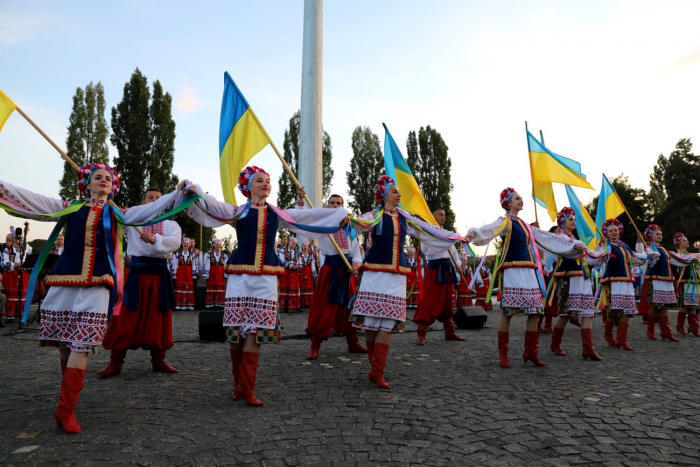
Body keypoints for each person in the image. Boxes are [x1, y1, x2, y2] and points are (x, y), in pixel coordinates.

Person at [0, 162, 191, 433]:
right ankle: (66, 400)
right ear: (86, 184)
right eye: (97, 178)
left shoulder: (122, 213)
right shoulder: (70, 206)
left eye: (108, 179)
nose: (103, 181)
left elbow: (152, 209)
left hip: (100, 283)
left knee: (82, 344)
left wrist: (179, 192)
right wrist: (3, 186)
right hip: (64, 280)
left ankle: (65, 411)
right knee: (64, 343)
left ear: (114, 187)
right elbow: (34, 199)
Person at [180, 166, 348, 406]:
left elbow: (304, 218)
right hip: (241, 278)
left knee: (258, 330)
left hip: (266, 278)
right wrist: (193, 188)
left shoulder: (276, 213)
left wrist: (336, 214)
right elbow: (213, 205)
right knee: (236, 332)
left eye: (268, 180)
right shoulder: (238, 212)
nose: (266, 184)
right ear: (248, 187)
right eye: (260, 180)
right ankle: (238, 384)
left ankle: (247, 387)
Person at [349, 176, 464, 388]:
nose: (398, 194)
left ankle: (377, 370)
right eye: (394, 191)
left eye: (398, 191)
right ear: (384, 195)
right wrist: (345, 220)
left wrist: (455, 237)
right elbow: (358, 225)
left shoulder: (405, 217)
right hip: (374, 273)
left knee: (388, 320)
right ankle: (374, 368)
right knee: (371, 321)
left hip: (396, 275)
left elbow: (429, 230)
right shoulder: (374, 215)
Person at [466, 188, 583, 368]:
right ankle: (503, 353)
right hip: (513, 270)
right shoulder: (505, 221)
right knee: (509, 312)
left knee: (535, 311)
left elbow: (548, 237)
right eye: (517, 199)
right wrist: (474, 232)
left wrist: (573, 245)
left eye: (521, 198)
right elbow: (489, 229)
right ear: (508, 203)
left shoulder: (527, 226)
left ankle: (531, 351)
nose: (521, 201)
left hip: (529, 271)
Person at [98, 187, 182, 376]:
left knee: (158, 318)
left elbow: (174, 243)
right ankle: (115, 362)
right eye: (150, 198)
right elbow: (115, 220)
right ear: (143, 202)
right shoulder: (133, 220)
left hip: (159, 274)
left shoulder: (171, 225)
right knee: (126, 316)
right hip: (137, 273)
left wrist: (154, 238)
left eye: (158, 198)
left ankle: (159, 360)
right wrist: (112, 204)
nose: (154, 200)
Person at [305, 194, 366, 360]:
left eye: (338, 203)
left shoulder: (349, 228)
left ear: (343, 206)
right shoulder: (322, 225)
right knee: (324, 308)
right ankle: (315, 345)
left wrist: (355, 266)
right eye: (332, 203)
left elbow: (356, 252)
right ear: (327, 205)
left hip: (346, 271)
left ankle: (353, 342)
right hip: (330, 271)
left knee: (348, 307)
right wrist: (301, 203)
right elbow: (305, 222)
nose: (335, 205)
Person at [546, 207, 605, 360]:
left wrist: (601, 255)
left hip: (583, 279)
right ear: (562, 222)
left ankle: (588, 348)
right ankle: (555, 344)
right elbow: (570, 248)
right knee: (566, 313)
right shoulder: (560, 238)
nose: (574, 222)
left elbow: (588, 259)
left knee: (587, 313)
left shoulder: (575, 239)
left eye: (574, 220)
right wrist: (584, 248)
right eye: (570, 219)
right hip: (568, 280)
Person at [413, 208, 466, 346]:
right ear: (433, 217)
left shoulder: (448, 234)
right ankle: (421, 333)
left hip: (448, 268)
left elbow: (454, 253)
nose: (443, 217)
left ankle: (449, 332)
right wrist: (439, 242)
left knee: (447, 301)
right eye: (440, 215)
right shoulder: (427, 233)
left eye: (444, 215)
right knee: (428, 301)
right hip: (434, 268)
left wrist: (458, 265)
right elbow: (426, 251)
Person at [596, 219, 649, 350]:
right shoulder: (607, 246)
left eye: (615, 230)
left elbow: (637, 258)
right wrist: (600, 245)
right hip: (614, 281)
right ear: (606, 233)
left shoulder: (623, 246)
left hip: (627, 281)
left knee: (627, 311)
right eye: (611, 231)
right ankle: (608, 335)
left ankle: (621, 339)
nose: (614, 232)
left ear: (619, 231)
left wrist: (639, 242)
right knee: (614, 310)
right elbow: (598, 257)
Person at [641, 225, 696, 342]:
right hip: (655, 280)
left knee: (665, 305)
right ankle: (650, 330)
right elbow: (645, 259)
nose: (660, 235)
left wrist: (694, 259)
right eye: (657, 234)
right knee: (656, 305)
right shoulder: (649, 249)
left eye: (660, 234)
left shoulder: (665, 250)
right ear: (650, 236)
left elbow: (679, 260)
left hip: (666, 280)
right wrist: (652, 256)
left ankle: (666, 331)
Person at [674, 232, 700, 336]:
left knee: (693, 305)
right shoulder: (678, 255)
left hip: (694, 282)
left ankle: (693, 327)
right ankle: (680, 325)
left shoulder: (691, 255)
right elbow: (683, 261)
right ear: (678, 243)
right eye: (684, 240)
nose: (687, 242)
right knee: (684, 305)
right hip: (684, 281)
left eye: (687, 240)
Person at [1, 228, 27, 321]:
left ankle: (20, 313)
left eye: (21, 240)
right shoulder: (7, 250)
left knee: (21, 293)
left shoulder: (23, 250)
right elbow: (4, 263)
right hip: (10, 274)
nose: (20, 241)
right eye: (18, 240)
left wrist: (23, 264)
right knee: (10, 294)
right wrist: (15, 264)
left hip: (21, 273)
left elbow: (26, 261)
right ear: (14, 240)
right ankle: (9, 315)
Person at [171, 237, 198, 310]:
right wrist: (174, 273)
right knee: (180, 287)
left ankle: (189, 304)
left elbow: (194, 264)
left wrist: (194, 273)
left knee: (188, 287)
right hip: (181, 273)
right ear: (182, 244)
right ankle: (179, 304)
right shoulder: (178, 253)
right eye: (184, 243)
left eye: (187, 243)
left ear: (189, 244)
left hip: (188, 273)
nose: (186, 244)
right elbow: (175, 264)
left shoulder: (192, 254)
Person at [203, 238, 228, 308]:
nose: (218, 246)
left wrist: (225, 274)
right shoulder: (209, 254)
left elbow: (226, 265)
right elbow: (207, 264)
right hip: (212, 273)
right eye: (216, 244)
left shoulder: (224, 255)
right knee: (212, 287)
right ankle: (210, 303)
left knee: (220, 287)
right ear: (213, 245)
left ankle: (220, 303)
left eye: (219, 245)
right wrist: (206, 274)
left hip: (220, 273)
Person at [279, 236, 301, 312]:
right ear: (289, 242)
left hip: (294, 273)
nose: (294, 244)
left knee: (294, 288)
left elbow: (299, 261)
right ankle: (285, 306)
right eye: (292, 242)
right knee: (286, 288)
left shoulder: (296, 252)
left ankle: (295, 305)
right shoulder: (283, 250)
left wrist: (298, 266)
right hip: (286, 273)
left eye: (295, 243)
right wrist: (291, 265)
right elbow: (281, 261)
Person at [298, 240, 316, 307]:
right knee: (302, 285)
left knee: (309, 285)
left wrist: (314, 273)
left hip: (308, 271)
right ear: (301, 246)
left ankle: (308, 302)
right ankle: (302, 302)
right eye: (304, 245)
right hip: (302, 271)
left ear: (308, 247)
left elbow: (313, 265)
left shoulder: (310, 255)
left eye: (306, 246)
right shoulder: (299, 255)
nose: (305, 247)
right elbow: (298, 263)